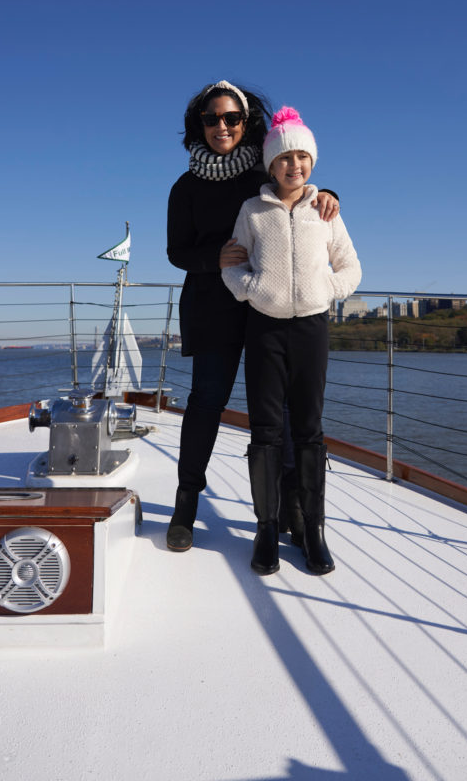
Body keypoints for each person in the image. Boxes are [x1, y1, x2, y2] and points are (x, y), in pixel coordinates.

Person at [166, 81, 340, 553]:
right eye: (211, 119)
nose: (221, 127)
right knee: (206, 402)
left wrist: (330, 194)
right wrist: (213, 259)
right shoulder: (185, 187)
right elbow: (175, 251)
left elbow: (298, 188)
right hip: (212, 306)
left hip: (269, 310)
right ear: (197, 126)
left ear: (247, 124)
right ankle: (186, 505)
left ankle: (292, 509)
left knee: (280, 414)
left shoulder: (263, 175)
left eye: (231, 119)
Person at [222, 106, 361, 576]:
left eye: (302, 158)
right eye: (285, 159)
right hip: (264, 328)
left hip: (311, 330)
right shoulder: (252, 211)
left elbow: (351, 268)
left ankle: (313, 529)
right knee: (265, 431)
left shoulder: (325, 211)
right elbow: (233, 263)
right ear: (271, 166)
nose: (293, 166)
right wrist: (249, 288)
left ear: (312, 163)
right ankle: (267, 529)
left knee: (309, 430)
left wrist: (327, 293)